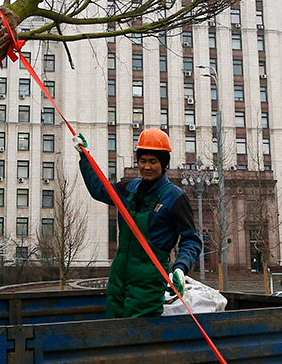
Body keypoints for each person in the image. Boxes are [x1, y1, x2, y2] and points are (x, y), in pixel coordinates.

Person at [75, 127, 202, 318]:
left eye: (153, 161)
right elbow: (99, 189)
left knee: (138, 340)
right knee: (114, 333)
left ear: (164, 164)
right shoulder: (129, 188)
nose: (147, 167)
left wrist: (180, 268)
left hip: (147, 285)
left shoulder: (175, 197)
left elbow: (191, 240)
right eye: (143, 161)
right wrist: (85, 157)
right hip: (118, 280)